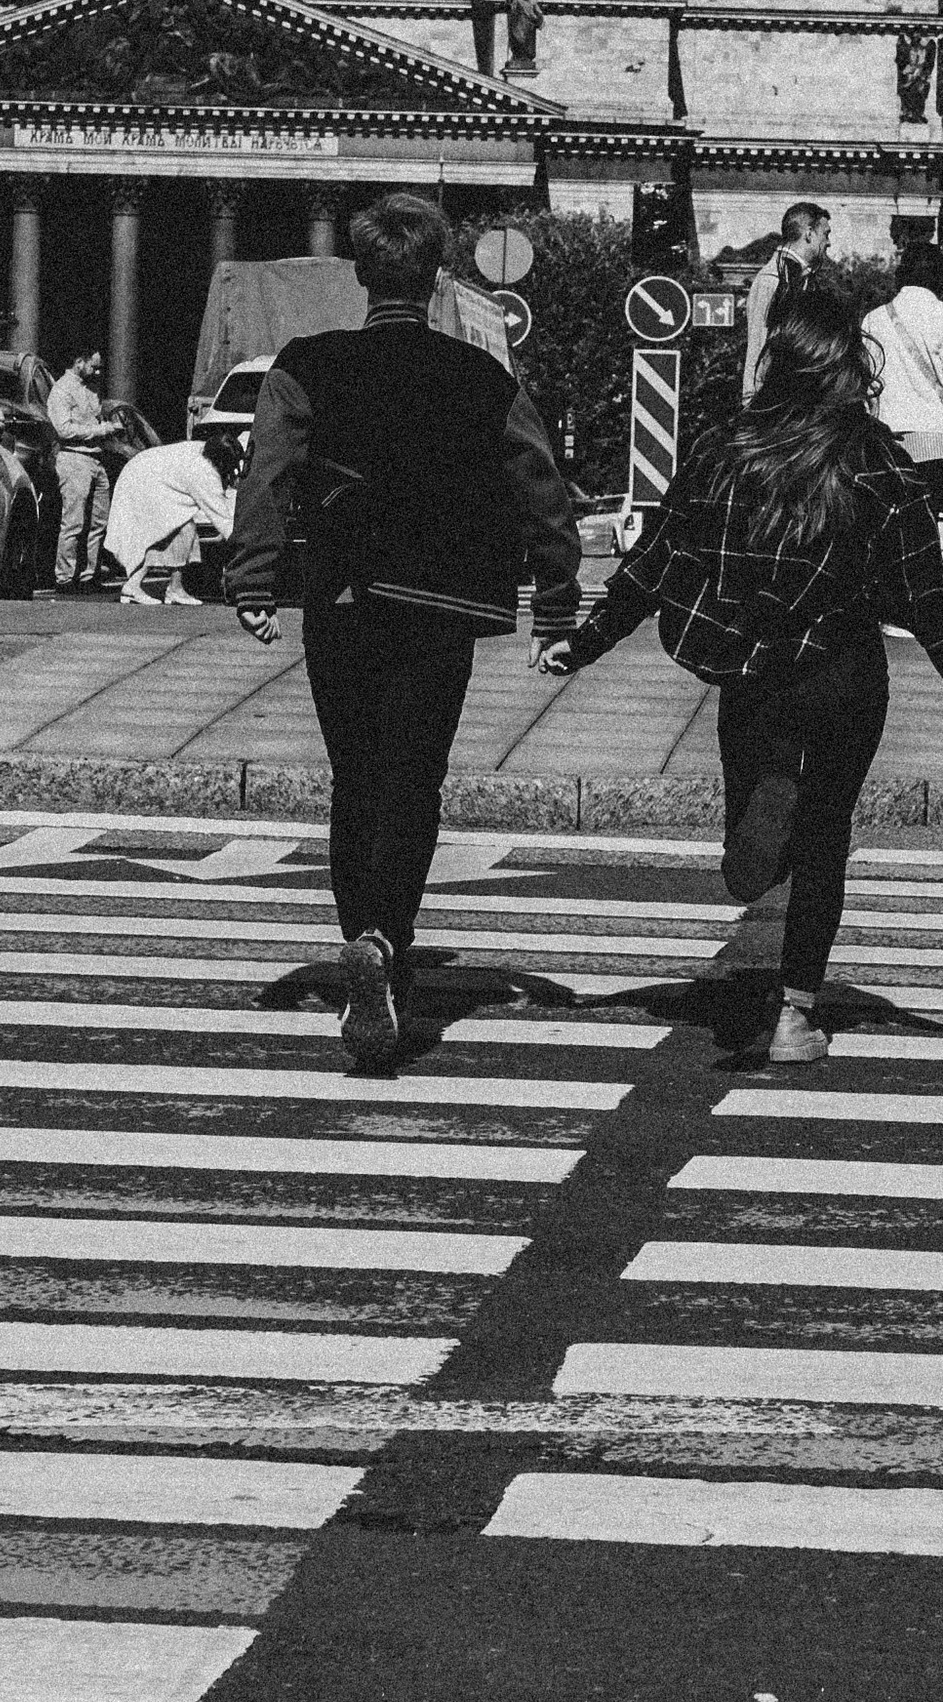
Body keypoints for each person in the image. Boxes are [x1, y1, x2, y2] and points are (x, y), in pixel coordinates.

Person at [554, 293, 943, 1067]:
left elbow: (657, 561)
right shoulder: (879, 461)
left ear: (779, 361)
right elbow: (922, 594)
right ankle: (795, 1015)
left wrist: (583, 643)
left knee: (758, 810)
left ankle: (760, 828)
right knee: (827, 834)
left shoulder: (724, 449)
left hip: (752, 669)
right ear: (850, 368)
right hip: (842, 671)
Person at [225, 192, 579, 1070]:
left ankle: (363, 939)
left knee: (355, 776)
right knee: (414, 777)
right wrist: (557, 600)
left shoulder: (306, 365)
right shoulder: (483, 377)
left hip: (343, 598)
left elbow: (268, 473)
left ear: (361, 271)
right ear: (435, 277)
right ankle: (390, 937)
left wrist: (254, 578)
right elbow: (540, 485)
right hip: (441, 604)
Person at [861, 247, 943, 532]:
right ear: (941, 277)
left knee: (892, 528)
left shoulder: (873, 319)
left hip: (887, 438)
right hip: (937, 440)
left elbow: (868, 382)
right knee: (926, 527)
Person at [110, 427, 241, 604]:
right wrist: (245, 546)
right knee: (171, 533)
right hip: (141, 482)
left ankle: (172, 588)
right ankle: (138, 586)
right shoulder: (204, 473)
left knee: (182, 531)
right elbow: (222, 519)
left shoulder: (206, 450)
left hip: (143, 473)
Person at [741, 200, 832, 402]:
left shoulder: (801, 278)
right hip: (774, 403)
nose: (828, 242)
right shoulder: (772, 280)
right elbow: (759, 347)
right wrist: (753, 402)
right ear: (809, 233)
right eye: (826, 234)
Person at [46, 347, 119, 590]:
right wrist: (100, 430)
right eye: (93, 366)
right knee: (73, 521)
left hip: (96, 458)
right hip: (74, 458)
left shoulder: (92, 389)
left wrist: (107, 426)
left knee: (99, 521)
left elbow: (93, 419)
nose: (97, 372)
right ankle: (65, 576)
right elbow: (63, 429)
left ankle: (90, 573)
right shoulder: (62, 390)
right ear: (79, 362)